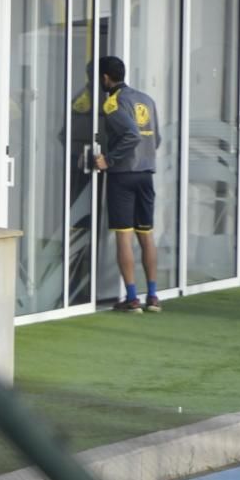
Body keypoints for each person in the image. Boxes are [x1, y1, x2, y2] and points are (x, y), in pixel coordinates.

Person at [95, 56, 162, 313]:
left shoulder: (113, 103)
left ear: (105, 78)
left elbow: (132, 135)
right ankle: (153, 297)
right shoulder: (147, 99)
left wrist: (109, 160)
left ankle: (132, 298)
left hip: (123, 176)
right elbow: (156, 139)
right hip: (146, 174)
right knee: (146, 234)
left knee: (124, 234)